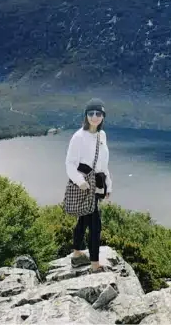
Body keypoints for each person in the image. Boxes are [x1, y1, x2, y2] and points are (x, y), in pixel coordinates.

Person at [65, 98, 112, 273]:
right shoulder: (78, 137)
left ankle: (77, 255)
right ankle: (94, 264)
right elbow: (69, 163)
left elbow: (103, 164)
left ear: (102, 116)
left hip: (97, 184)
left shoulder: (102, 135)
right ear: (85, 116)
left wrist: (109, 185)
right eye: (90, 113)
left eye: (98, 113)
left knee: (84, 219)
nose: (94, 117)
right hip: (84, 184)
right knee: (95, 225)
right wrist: (80, 182)